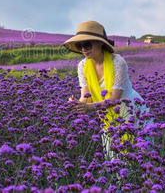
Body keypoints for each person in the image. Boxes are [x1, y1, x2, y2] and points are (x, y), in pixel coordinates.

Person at [63, 21, 151, 160]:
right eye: (80, 46)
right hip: (107, 118)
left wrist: (88, 107)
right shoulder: (82, 66)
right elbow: (86, 97)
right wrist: (77, 104)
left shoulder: (118, 62)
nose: (83, 49)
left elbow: (114, 99)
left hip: (132, 113)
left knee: (139, 157)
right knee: (114, 161)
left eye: (87, 44)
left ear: (100, 43)